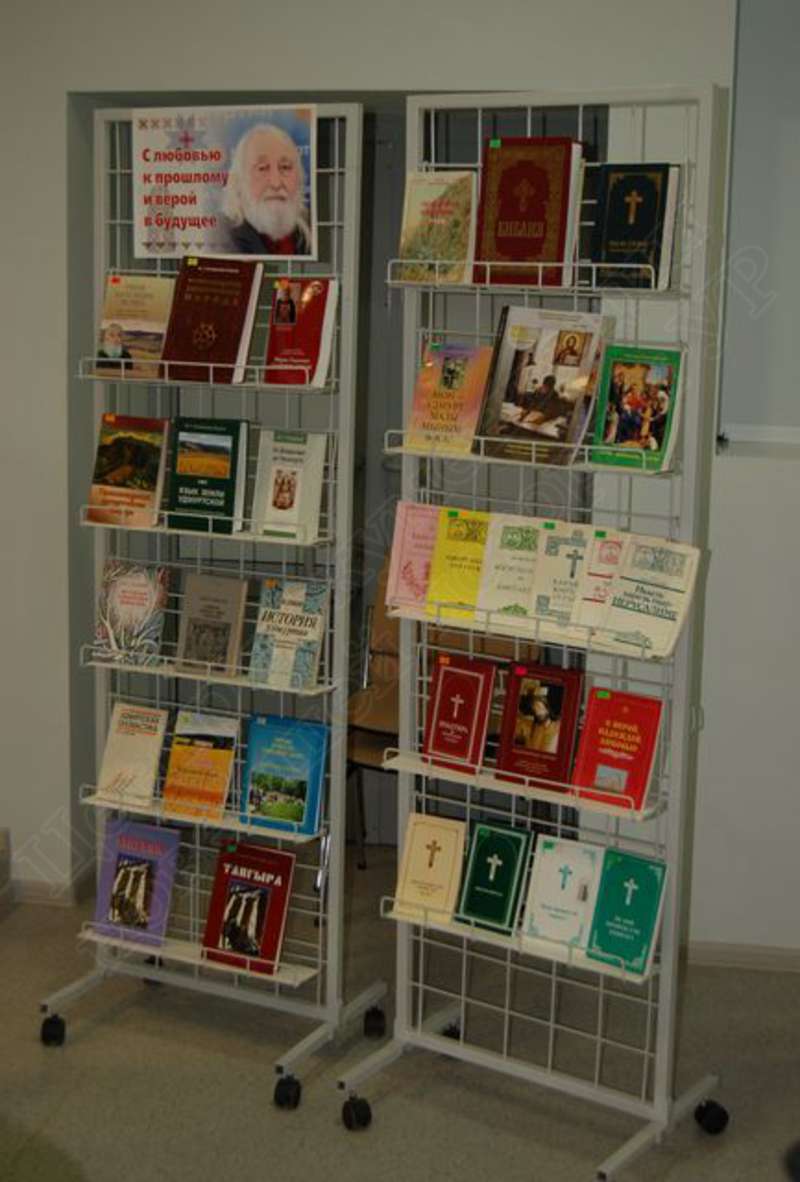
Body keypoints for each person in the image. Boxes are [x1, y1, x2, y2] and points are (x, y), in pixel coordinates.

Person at [222, 123, 312, 256]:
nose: (276, 183)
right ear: (239, 182)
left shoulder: (309, 234)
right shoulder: (221, 240)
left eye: (285, 167)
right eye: (262, 168)